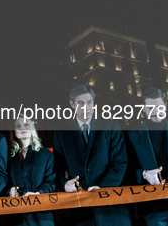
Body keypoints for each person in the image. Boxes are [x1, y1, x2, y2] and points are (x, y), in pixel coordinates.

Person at [53, 84, 131, 226]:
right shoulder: (61, 132)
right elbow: (58, 168)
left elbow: (120, 162)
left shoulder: (111, 125)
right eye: (80, 103)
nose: (86, 107)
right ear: (72, 104)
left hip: (112, 205)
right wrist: (64, 185)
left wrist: (102, 187)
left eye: (89, 102)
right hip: (81, 209)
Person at [127, 87, 168, 226]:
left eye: (158, 106)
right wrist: (144, 174)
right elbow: (126, 169)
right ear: (144, 109)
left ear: (165, 106)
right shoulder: (132, 135)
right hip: (152, 208)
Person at [6, 115, 55, 226]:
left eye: (26, 124)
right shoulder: (8, 157)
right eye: (18, 125)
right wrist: (9, 191)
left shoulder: (45, 154)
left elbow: (51, 182)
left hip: (41, 216)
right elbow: (4, 181)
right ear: (13, 131)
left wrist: (39, 193)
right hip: (16, 217)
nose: (22, 128)